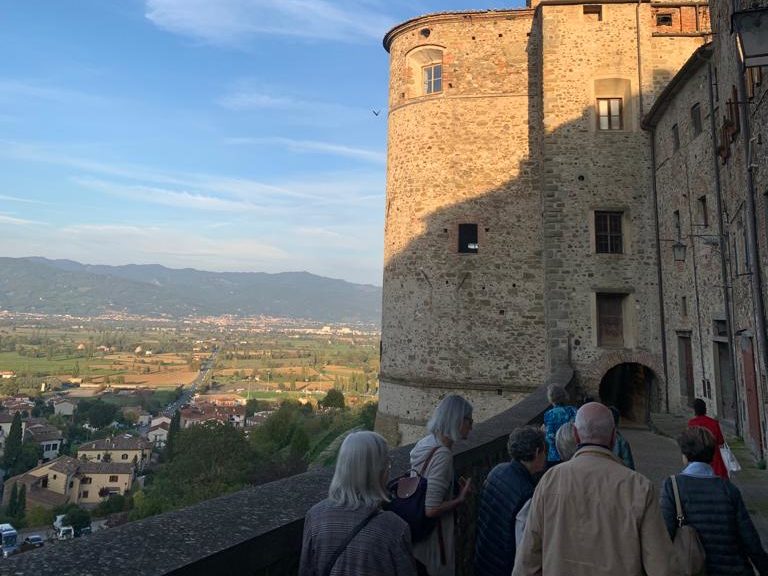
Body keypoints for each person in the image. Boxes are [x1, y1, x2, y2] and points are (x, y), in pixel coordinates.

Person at [512, 402, 680, 576]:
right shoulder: (639, 487)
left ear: (576, 436)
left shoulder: (550, 480)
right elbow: (663, 568)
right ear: (614, 437)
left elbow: (526, 563)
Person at [299, 431, 417, 576]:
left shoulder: (315, 516)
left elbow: (306, 570)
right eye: (387, 464)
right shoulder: (395, 528)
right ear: (378, 471)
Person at [660, 426, 768, 575]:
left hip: (694, 569)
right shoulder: (729, 489)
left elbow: (663, 536)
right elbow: (751, 541)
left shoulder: (673, 487)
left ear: (685, 455)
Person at [410, 394, 473, 576]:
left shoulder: (427, 442)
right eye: (469, 420)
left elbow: (425, 480)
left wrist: (452, 481)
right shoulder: (442, 455)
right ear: (458, 420)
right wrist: (459, 499)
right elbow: (431, 508)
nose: (472, 426)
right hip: (433, 540)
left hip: (419, 539)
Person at [474, 426, 546, 576]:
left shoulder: (497, 471)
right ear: (537, 452)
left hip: (484, 559)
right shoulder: (526, 494)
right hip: (504, 566)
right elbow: (524, 547)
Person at [688, 398, 728, 478]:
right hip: (714, 459)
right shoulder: (714, 423)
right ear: (705, 409)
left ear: (695, 410)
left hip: (699, 459)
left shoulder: (691, 424)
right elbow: (721, 441)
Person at [542, 384, 577, 467]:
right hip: (572, 453)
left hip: (555, 456)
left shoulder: (550, 414)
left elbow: (550, 437)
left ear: (551, 398)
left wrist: (544, 432)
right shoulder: (573, 410)